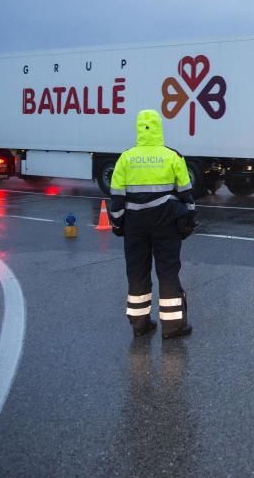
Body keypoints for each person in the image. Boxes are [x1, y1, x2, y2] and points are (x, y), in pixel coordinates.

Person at [108, 109, 196, 339]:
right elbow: (187, 194)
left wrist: (118, 224)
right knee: (167, 271)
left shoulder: (126, 158)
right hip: (166, 223)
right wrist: (189, 221)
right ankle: (173, 327)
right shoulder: (172, 156)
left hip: (134, 226)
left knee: (137, 272)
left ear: (139, 128)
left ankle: (140, 324)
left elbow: (117, 197)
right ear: (159, 128)